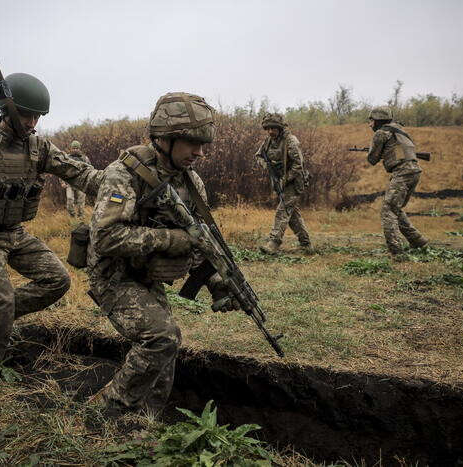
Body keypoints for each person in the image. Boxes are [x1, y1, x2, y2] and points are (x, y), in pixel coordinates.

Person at [0, 72, 103, 379]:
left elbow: (79, 173)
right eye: (26, 115)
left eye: (37, 117)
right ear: (6, 109)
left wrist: (119, 186)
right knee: (1, 302)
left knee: (57, 280)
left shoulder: (38, 147)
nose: (31, 123)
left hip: (14, 233)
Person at [87, 92, 237, 416]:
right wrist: (171, 240)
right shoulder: (123, 174)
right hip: (113, 276)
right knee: (161, 337)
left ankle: (146, 423)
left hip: (147, 277)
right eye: (190, 143)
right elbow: (105, 237)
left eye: (203, 144)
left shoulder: (191, 182)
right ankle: (104, 413)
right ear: (164, 138)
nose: (199, 152)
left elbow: (197, 240)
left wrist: (214, 279)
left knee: (166, 350)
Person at [366, 107, 428, 260]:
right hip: (415, 171)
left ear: (378, 120)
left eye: (371, 121)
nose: (370, 125)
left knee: (388, 211)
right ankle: (418, 241)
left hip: (402, 173)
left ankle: (397, 252)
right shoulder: (399, 130)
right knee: (395, 208)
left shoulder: (381, 133)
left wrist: (375, 151)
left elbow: (372, 159)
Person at [255, 112, 311, 254]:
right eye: (267, 129)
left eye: (273, 128)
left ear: (279, 128)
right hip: (279, 181)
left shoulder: (291, 141)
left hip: (294, 182)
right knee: (291, 214)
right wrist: (267, 166)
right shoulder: (268, 141)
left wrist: (285, 179)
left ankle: (274, 242)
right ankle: (306, 244)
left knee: (282, 211)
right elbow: (258, 156)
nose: (270, 131)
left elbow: (298, 164)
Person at [62, 140, 92, 219]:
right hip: (69, 182)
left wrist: (88, 181)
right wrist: (62, 182)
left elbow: (90, 170)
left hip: (81, 182)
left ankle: (81, 216)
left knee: (81, 201)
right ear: (71, 149)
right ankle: (72, 216)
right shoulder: (67, 158)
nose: (75, 150)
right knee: (69, 199)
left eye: (77, 148)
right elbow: (61, 170)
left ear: (79, 149)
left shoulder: (84, 158)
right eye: (74, 148)